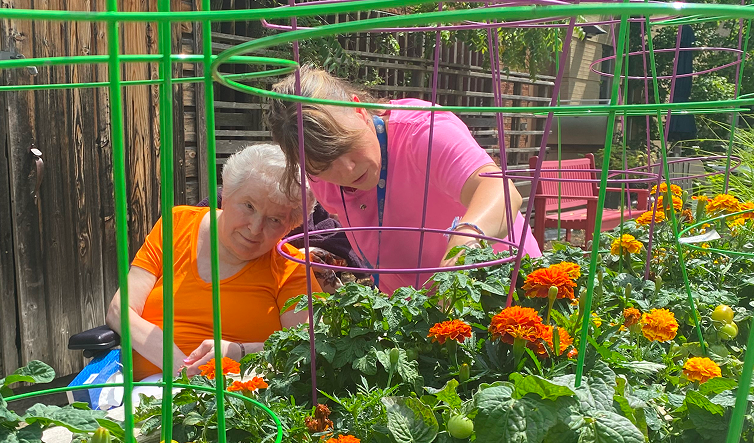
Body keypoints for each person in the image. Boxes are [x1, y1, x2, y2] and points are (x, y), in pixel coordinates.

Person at [267, 65, 541, 294]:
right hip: (422, 310)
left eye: (347, 145)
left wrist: (463, 247)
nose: (347, 170)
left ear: (359, 110)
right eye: (324, 165)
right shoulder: (317, 170)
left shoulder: (423, 131)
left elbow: (502, 191)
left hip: (506, 289)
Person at [106, 142, 320, 381]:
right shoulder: (176, 226)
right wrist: (179, 366)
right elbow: (120, 310)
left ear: (290, 227)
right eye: (249, 206)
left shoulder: (292, 268)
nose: (255, 228)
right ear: (226, 195)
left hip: (241, 397)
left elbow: (309, 348)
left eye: (275, 220)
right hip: (148, 392)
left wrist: (240, 352)